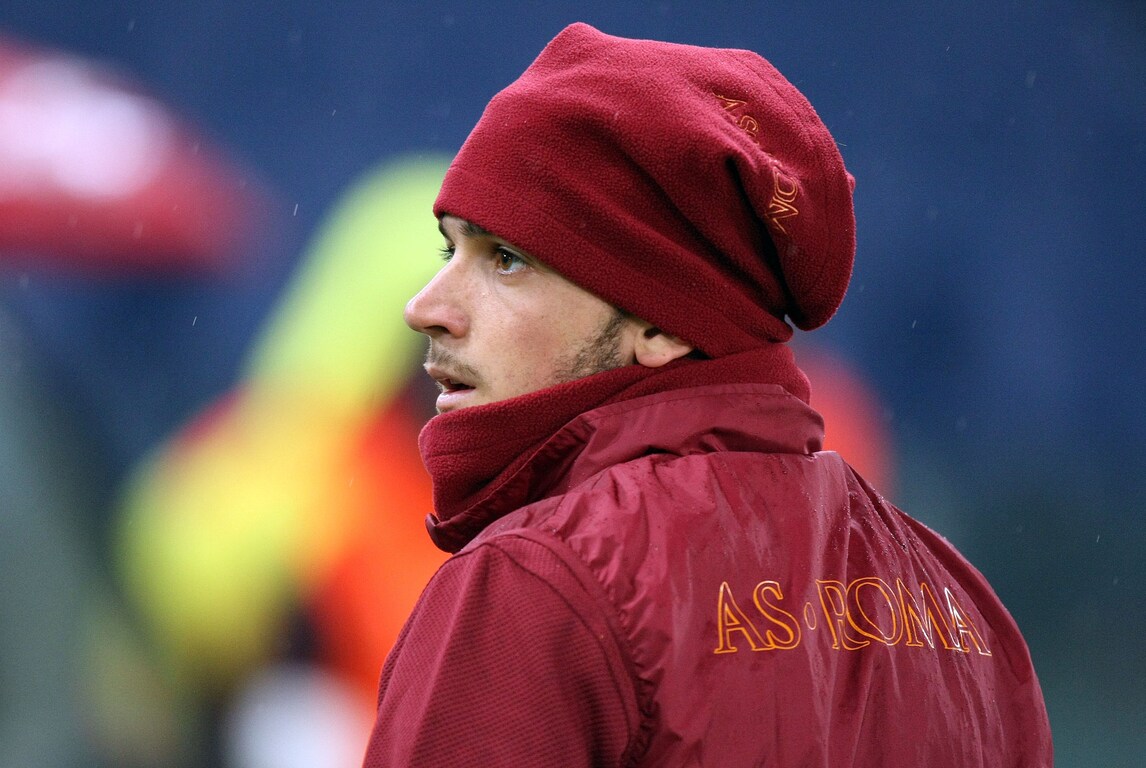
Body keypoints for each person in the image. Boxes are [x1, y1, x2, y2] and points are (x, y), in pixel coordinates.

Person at [362, 22, 1052, 767]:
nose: (424, 307)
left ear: (663, 323)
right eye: (449, 248)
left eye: (506, 258)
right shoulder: (961, 611)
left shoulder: (535, 585)